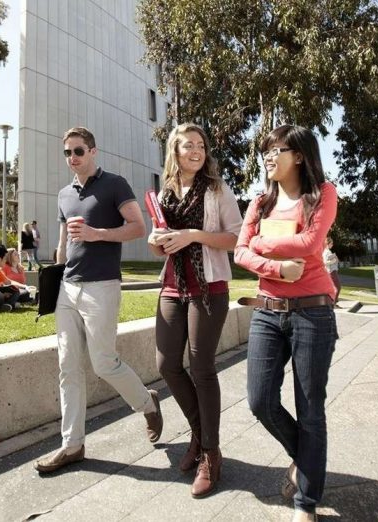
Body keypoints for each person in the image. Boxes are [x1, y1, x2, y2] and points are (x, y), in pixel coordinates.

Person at [33, 127, 162, 473]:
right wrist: (54, 278)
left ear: (93, 151)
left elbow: (137, 227)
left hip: (102, 286)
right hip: (68, 289)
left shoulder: (115, 184)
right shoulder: (64, 194)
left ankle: (147, 403)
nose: (71, 158)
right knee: (67, 367)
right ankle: (72, 445)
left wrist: (97, 235)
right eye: (67, 153)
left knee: (104, 362)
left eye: (78, 151)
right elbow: (63, 242)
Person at [234, 124, 338, 522]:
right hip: (267, 310)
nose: (268, 157)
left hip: (313, 311)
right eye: (265, 151)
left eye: (276, 149)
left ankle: (306, 503)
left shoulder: (322, 195)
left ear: (299, 155)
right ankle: (304, 457)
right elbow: (241, 253)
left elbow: (311, 244)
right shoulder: (259, 203)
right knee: (260, 400)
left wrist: (258, 243)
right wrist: (275, 264)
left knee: (310, 408)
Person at [147, 123, 242, 497]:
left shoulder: (218, 190)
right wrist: (158, 241)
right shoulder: (164, 192)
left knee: (201, 367)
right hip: (172, 285)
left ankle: (210, 453)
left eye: (201, 145)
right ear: (175, 150)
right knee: (166, 364)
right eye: (189, 145)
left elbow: (236, 239)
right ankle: (200, 436)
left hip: (209, 287)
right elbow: (160, 247)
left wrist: (193, 235)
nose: (196, 150)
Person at [322, 237, 340, 306]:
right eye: (331, 243)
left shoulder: (328, 251)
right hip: (331, 272)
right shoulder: (326, 252)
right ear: (327, 244)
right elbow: (324, 262)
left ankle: (334, 302)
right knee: (338, 287)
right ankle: (333, 303)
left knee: (334, 287)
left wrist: (335, 260)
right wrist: (333, 261)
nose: (332, 245)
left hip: (332, 271)